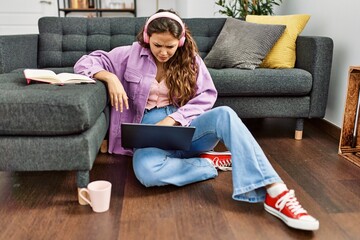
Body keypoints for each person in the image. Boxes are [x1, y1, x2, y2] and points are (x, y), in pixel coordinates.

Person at [74, 9, 319, 231]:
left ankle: (276, 193)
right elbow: (84, 63)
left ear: (179, 42)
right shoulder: (127, 55)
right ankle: (208, 164)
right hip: (145, 127)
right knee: (148, 173)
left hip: (182, 124)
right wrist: (110, 77)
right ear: (148, 39)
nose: (163, 52)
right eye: (158, 45)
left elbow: (208, 94)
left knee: (225, 114)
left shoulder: (189, 59)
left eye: (170, 47)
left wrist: (175, 119)